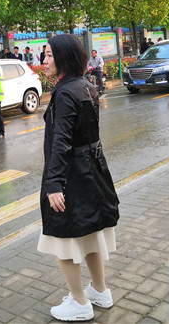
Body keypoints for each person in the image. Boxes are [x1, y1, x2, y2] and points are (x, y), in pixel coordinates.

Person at [38, 34, 120, 321]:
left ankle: (80, 302)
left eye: (49, 55)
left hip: (71, 176)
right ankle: (100, 290)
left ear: (64, 58)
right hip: (92, 172)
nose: (44, 61)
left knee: (63, 240)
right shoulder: (86, 86)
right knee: (90, 235)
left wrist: (54, 184)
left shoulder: (64, 93)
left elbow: (61, 142)